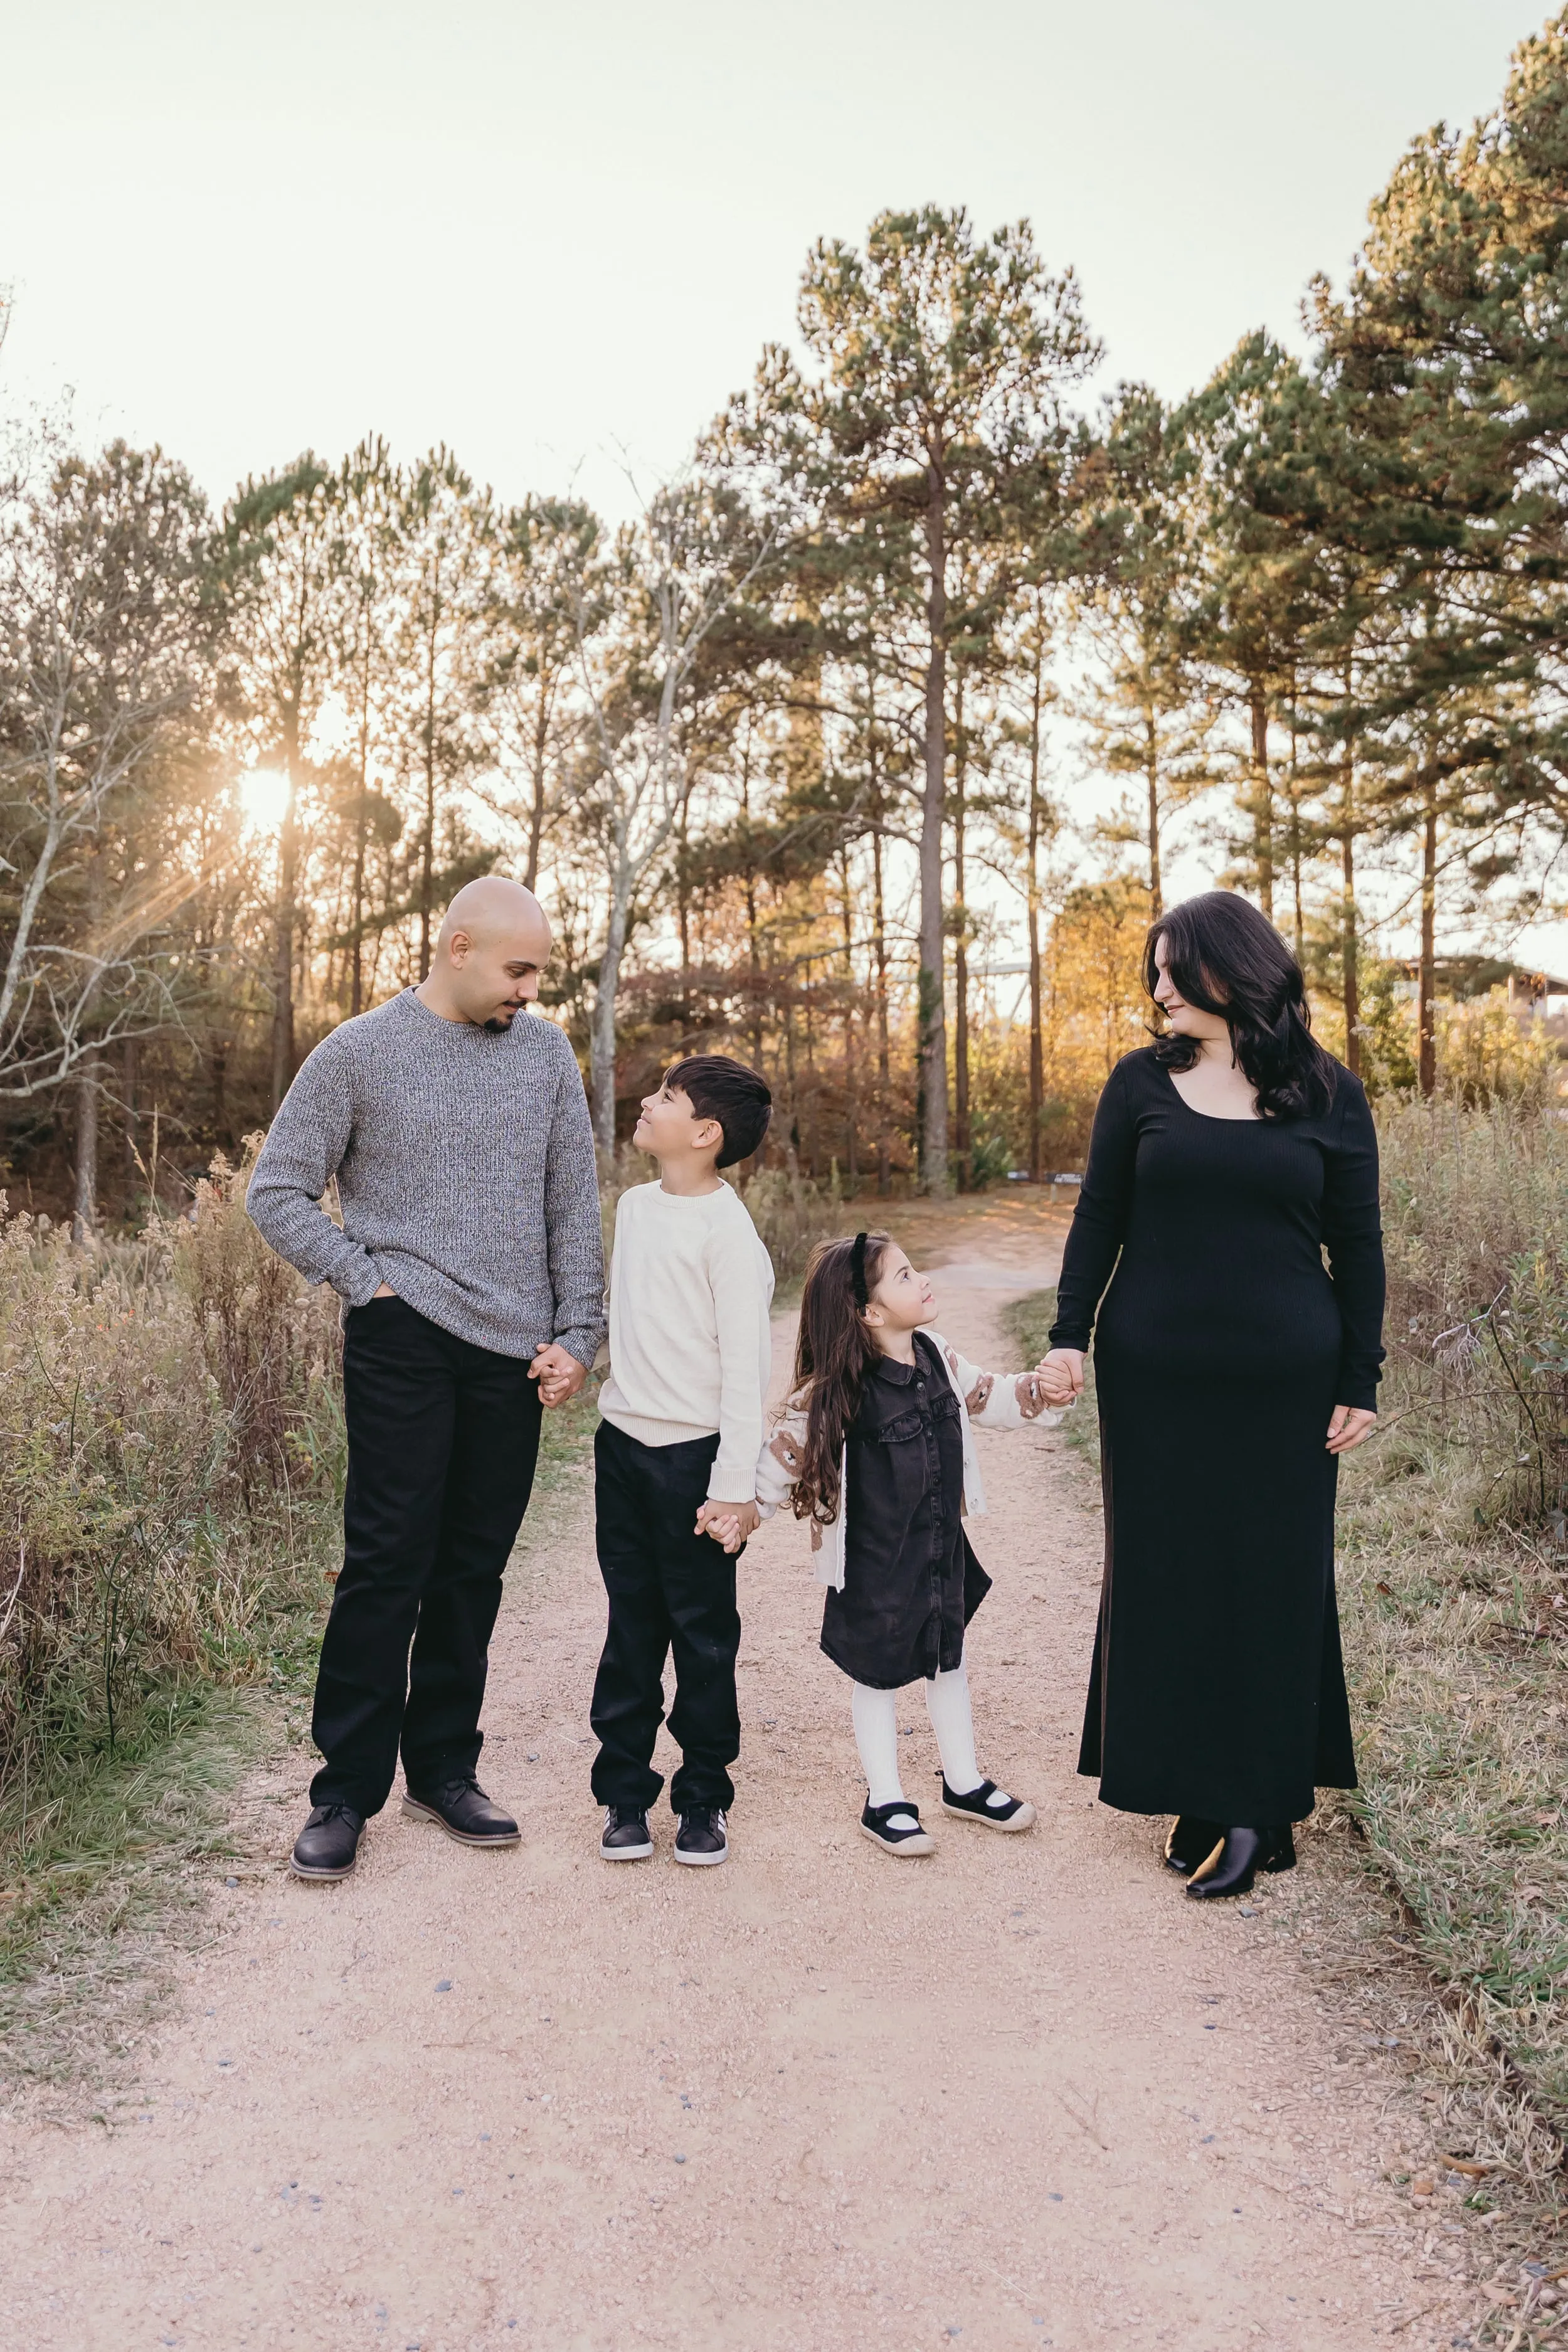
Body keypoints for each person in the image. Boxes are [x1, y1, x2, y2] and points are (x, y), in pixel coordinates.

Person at [247, 876, 605, 1882]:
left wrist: (580, 1332)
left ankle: (444, 1768)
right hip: (400, 1336)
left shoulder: (543, 1055)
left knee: (472, 1569)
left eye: (538, 972)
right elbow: (274, 1189)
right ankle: (343, 1792)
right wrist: (365, 1281)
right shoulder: (359, 1051)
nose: (531, 990)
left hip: (513, 1350)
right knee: (386, 1562)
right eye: (518, 969)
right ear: (457, 946)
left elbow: (571, 1205)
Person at [1038, 891, 1385, 1900]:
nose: (1156, 988)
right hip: (1155, 1377)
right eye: (1152, 970)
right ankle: (1202, 1788)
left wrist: (1359, 1378)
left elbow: (1357, 1247)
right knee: (1170, 1574)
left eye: (1172, 967)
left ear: (1233, 966)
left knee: (1272, 1579)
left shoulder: (1328, 1091)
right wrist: (1068, 1332)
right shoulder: (1141, 1081)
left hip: (1287, 1381)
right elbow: (1099, 1216)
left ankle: (1254, 1799)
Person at [754, 1231, 1061, 1857]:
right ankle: (885, 1798)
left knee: (949, 1659)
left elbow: (989, 1396)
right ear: (867, 1313)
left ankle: (963, 1782)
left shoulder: (938, 1355)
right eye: (902, 1277)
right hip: (874, 1562)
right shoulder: (836, 1392)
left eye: (913, 1269)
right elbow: (781, 1461)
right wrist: (737, 1511)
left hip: (939, 1547)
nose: (920, 1280)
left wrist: (1040, 1392)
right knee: (877, 1676)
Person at [590, 1056, 775, 1868]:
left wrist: (737, 1489)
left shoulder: (730, 1237)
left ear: (705, 1134)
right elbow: (622, 1311)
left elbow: (746, 1375)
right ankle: (625, 1793)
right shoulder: (634, 1207)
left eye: (665, 1097)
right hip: (622, 1449)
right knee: (631, 1628)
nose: (646, 1101)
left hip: (696, 1465)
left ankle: (703, 1796)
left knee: (702, 1636)